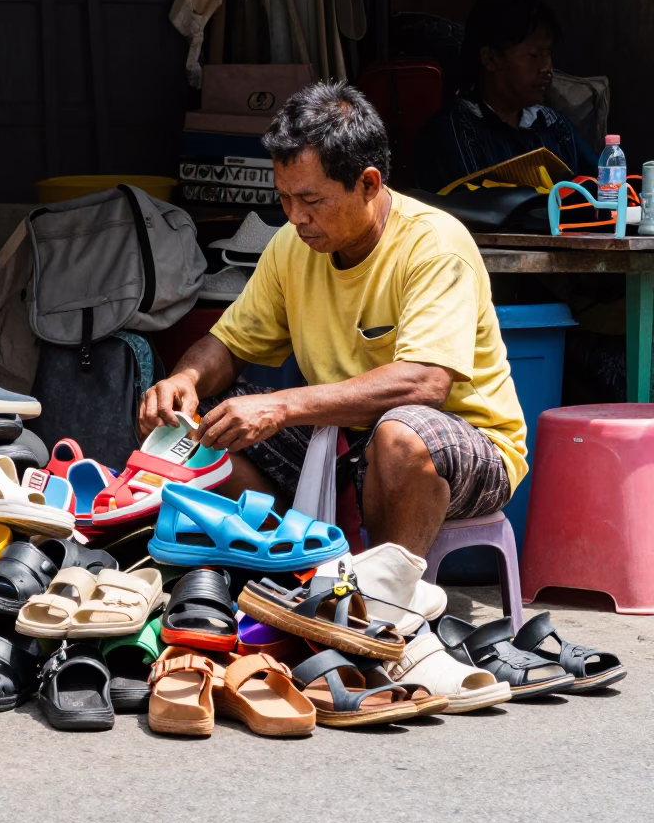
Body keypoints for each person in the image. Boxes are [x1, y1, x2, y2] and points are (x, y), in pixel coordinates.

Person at [140, 81, 527, 557]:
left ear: (368, 184)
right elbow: (230, 344)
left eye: (312, 200)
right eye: (285, 198)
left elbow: (425, 383)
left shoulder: (435, 245)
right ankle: (292, 564)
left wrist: (282, 406)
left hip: (464, 444)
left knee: (400, 435)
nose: (295, 216)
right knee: (206, 424)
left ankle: (381, 595)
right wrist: (184, 380)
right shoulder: (291, 245)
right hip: (341, 437)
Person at [415, 0, 599, 194]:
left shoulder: (555, 127)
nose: (547, 68)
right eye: (534, 56)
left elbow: (605, 188)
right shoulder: (453, 132)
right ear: (490, 59)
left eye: (548, 54)